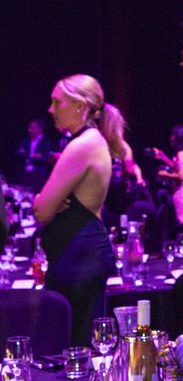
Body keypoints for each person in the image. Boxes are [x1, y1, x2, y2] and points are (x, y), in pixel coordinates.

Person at [31, 75, 120, 345]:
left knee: (76, 348)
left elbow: (42, 211)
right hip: (80, 257)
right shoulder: (91, 141)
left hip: (79, 262)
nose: (50, 109)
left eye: (57, 102)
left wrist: (47, 201)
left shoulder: (82, 145)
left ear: (80, 106)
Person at [156, 124, 183, 230]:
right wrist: (163, 157)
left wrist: (163, 174)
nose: (171, 138)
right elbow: (181, 168)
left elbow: (181, 176)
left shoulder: (181, 154)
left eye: (173, 135)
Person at [12, 117, 57, 189]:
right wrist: (32, 156)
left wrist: (36, 157)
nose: (29, 130)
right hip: (25, 172)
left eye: (32, 127)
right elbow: (18, 152)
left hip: (38, 175)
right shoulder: (26, 141)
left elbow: (47, 158)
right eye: (29, 127)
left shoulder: (46, 142)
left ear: (40, 129)